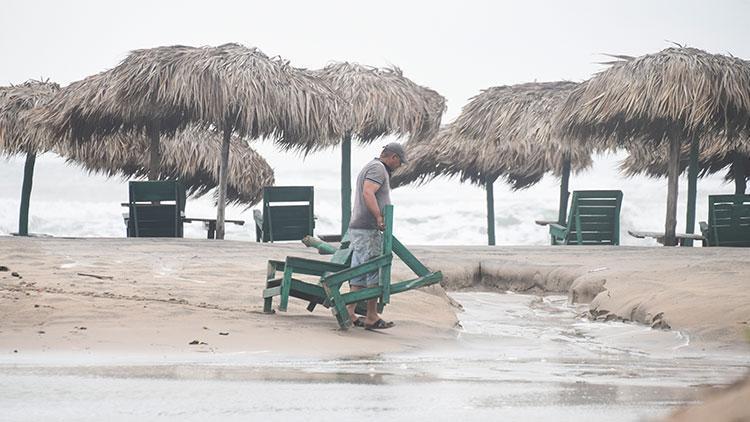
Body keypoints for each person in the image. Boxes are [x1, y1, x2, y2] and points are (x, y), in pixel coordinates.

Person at [347, 142, 407, 330]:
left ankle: (350, 312)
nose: (398, 167)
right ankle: (372, 316)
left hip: (359, 227)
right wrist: (378, 217)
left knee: (358, 271)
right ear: (393, 157)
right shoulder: (378, 169)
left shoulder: (371, 167)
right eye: (399, 162)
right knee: (374, 269)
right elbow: (368, 192)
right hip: (367, 227)